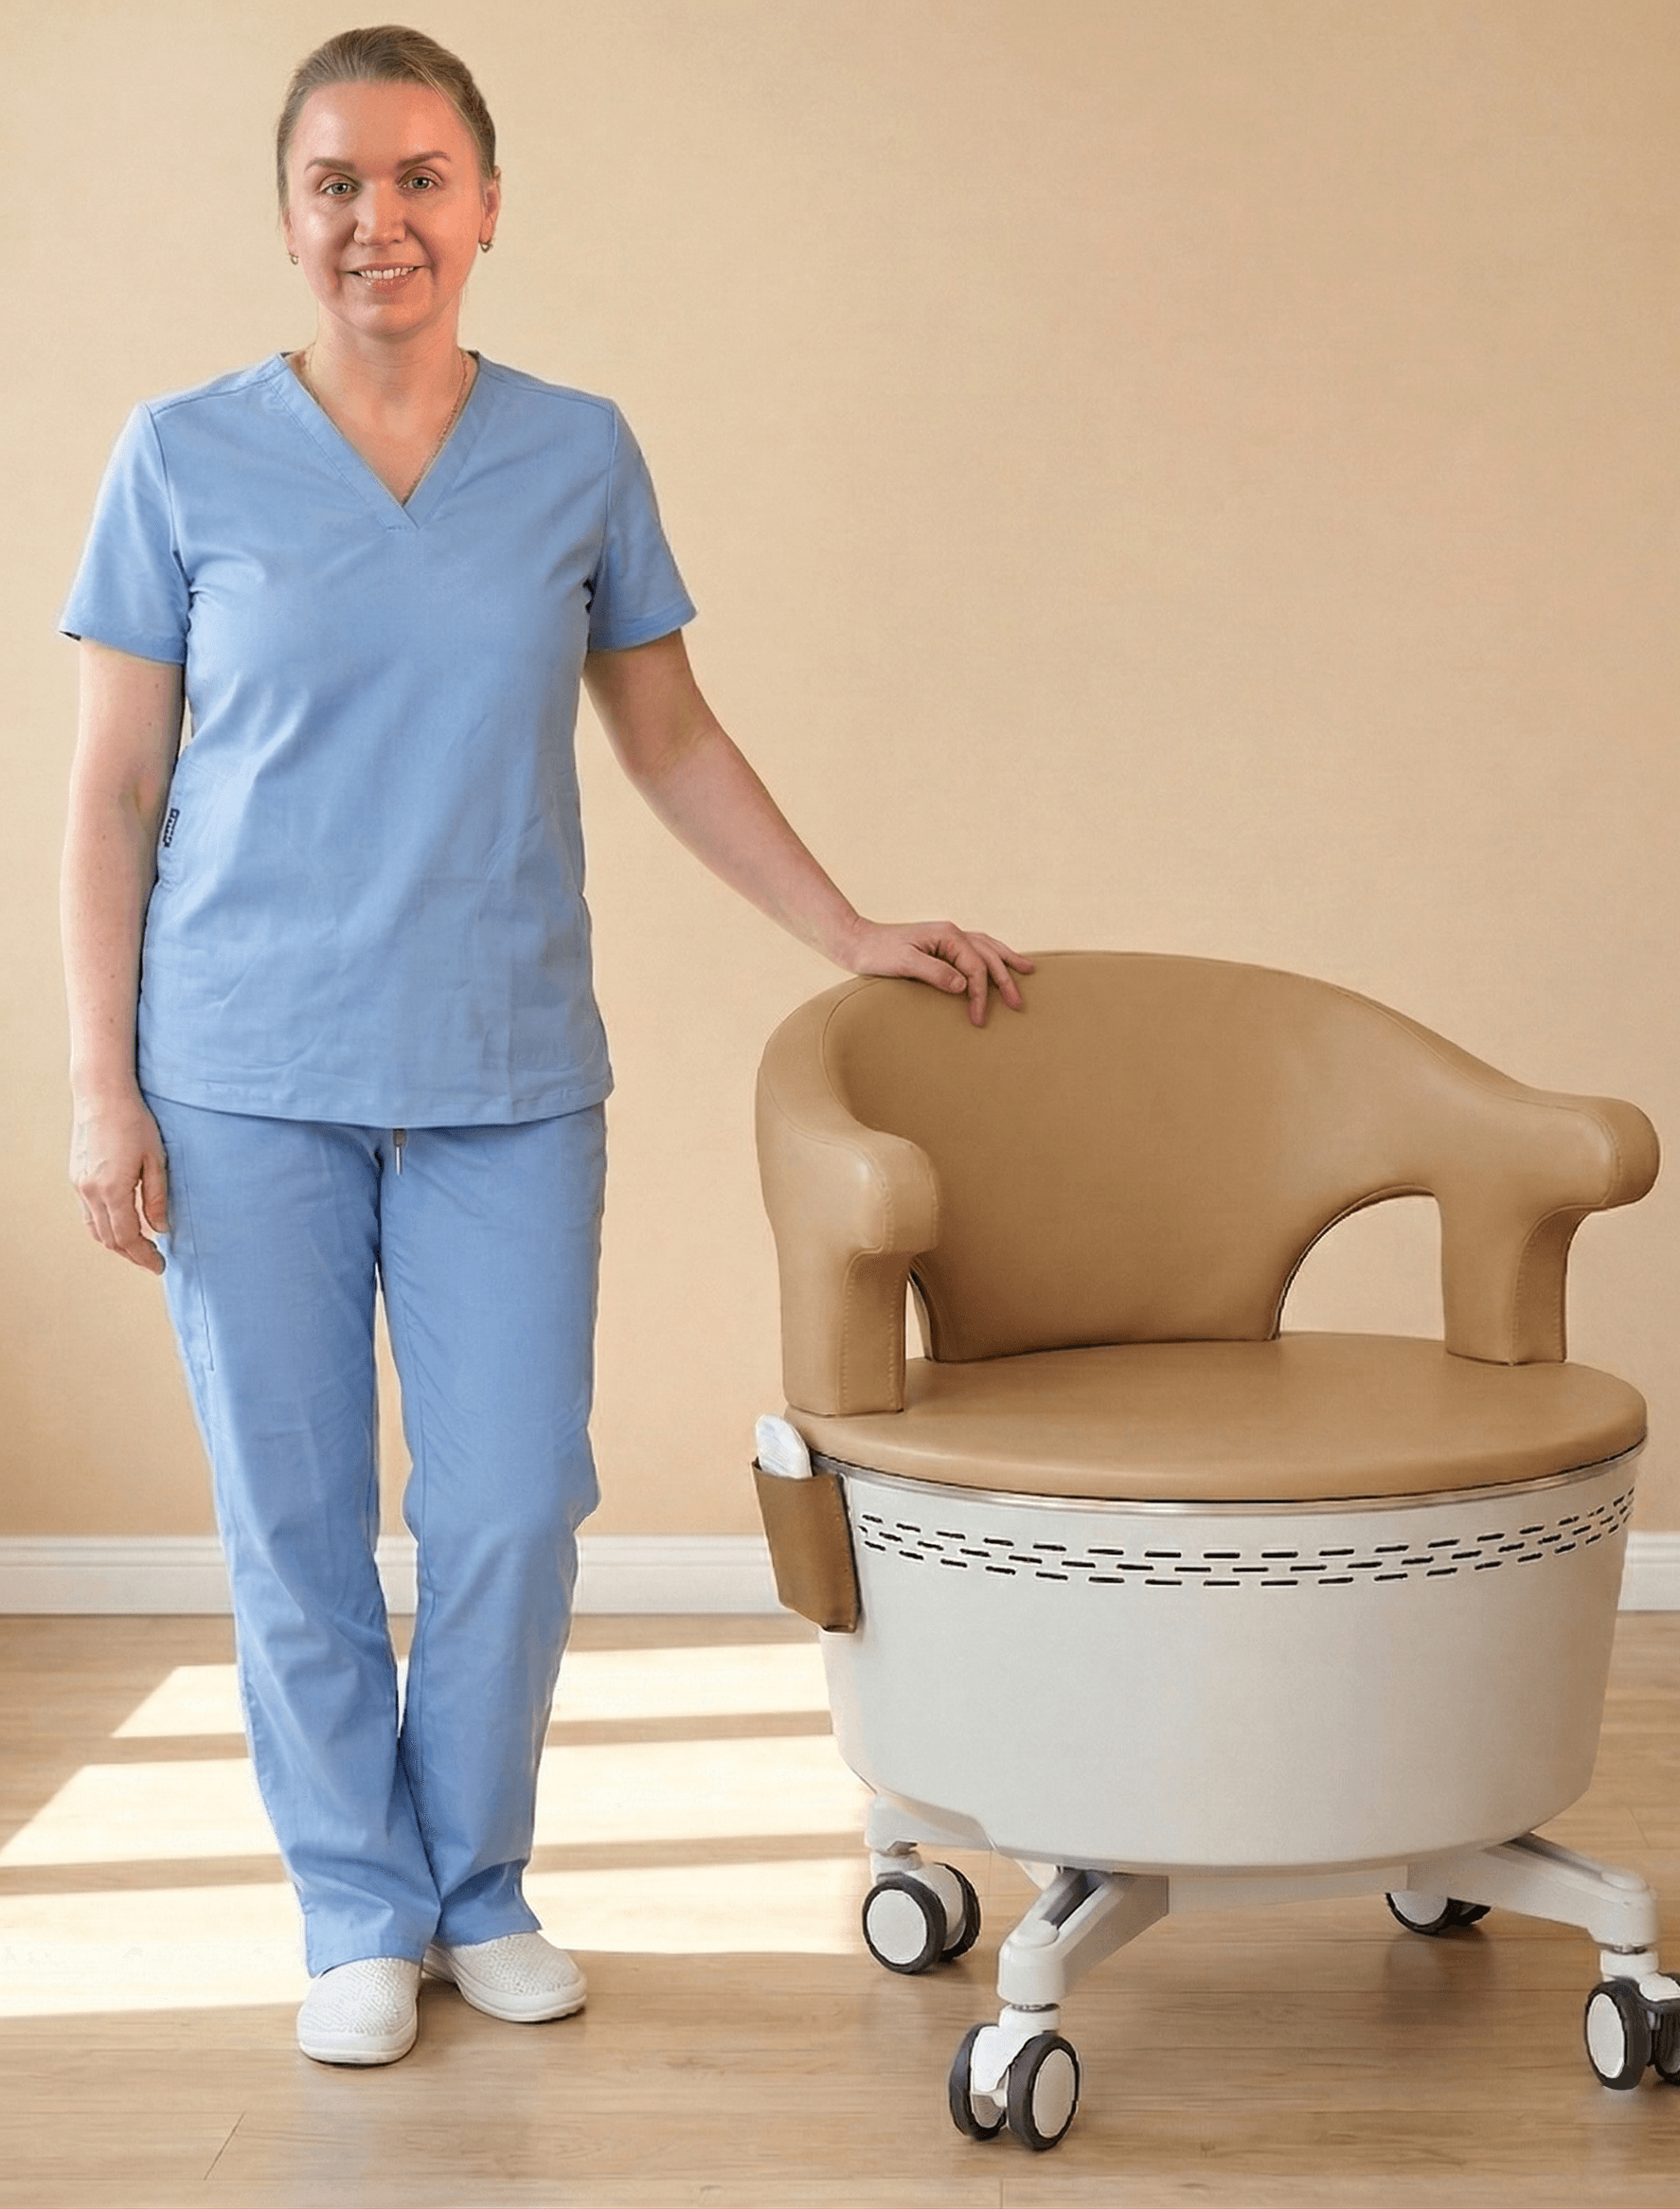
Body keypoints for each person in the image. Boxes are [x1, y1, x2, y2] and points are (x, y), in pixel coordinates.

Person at [58, 24, 1031, 2070]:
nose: (377, 219)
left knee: (508, 1498)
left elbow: (665, 731)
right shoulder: (180, 454)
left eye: (419, 178)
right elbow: (110, 792)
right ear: (289, 215)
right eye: (336, 181)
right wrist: (98, 1081)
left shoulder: (576, 451)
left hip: (507, 1069)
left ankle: (478, 1882)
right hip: (240, 1071)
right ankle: (356, 1901)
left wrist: (848, 925)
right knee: (296, 1517)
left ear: (487, 205)